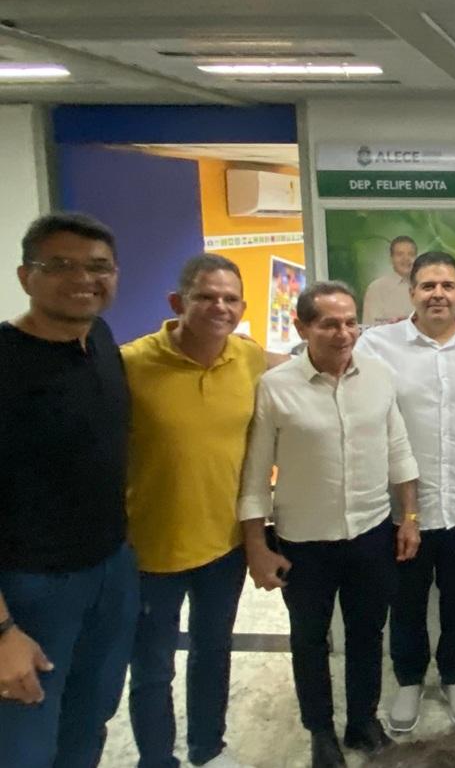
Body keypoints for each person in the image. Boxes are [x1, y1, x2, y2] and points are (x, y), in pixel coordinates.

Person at [239, 281, 420, 768]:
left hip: (371, 534)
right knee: (310, 641)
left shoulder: (379, 377)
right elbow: (255, 476)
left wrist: (410, 518)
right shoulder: (276, 388)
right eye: (329, 324)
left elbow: (399, 451)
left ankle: (363, 722)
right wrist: (256, 545)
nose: (343, 333)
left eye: (350, 322)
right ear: (302, 327)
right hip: (303, 543)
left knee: (367, 634)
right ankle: (320, 731)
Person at [123, 254, 277, 768]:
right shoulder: (130, 365)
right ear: (177, 303)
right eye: (205, 296)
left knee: (213, 654)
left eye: (230, 299)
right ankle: (156, 759)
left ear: (242, 307)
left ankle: (207, 749)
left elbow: (300, 363)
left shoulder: (248, 358)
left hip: (224, 546)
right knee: (151, 669)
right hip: (150, 550)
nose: (219, 307)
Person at [0, 211, 139, 767]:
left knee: (90, 719)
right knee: (25, 738)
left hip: (111, 570)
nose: (84, 278)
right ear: (24, 275)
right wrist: (4, 629)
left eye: (98, 266)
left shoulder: (100, 341)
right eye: (61, 265)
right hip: (31, 587)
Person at [357, 251, 455, 732]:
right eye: (428, 285)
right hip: (403, 511)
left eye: (448, 285)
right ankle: (410, 681)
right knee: (407, 604)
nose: (439, 294)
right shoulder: (377, 346)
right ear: (411, 290)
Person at [362, 235, 417, 324]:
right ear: (391, 259)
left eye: (411, 254)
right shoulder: (376, 288)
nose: (406, 259)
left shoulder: (423, 286)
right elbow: (370, 327)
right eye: (400, 254)